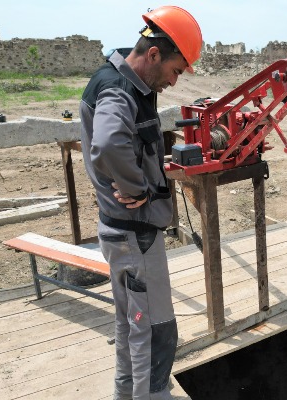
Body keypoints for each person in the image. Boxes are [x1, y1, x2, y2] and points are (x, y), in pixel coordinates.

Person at [79, 6, 202, 399]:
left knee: (130, 324)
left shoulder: (115, 80)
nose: (174, 81)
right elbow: (108, 143)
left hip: (119, 233)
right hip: (136, 238)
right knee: (155, 331)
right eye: (175, 70)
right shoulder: (120, 90)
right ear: (153, 54)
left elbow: (122, 143)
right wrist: (137, 189)